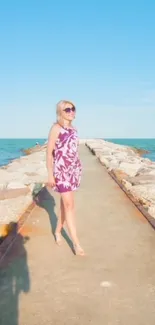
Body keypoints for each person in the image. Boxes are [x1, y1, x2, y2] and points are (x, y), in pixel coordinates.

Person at [46, 100, 85, 256]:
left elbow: (73, 151)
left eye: (73, 109)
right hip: (61, 172)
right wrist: (50, 175)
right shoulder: (56, 128)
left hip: (73, 170)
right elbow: (49, 153)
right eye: (67, 109)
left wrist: (77, 167)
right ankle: (76, 243)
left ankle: (57, 231)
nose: (71, 112)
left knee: (66, 205)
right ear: (60, 112)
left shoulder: (74, 129)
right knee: (69, 205)